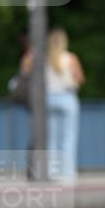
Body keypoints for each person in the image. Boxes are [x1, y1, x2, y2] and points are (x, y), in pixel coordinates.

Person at [22, 28, 85, 181]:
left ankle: (52, 171)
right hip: (67, 98)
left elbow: (25, 69)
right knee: (68, 138)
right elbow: (80, 79)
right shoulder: (70, 59)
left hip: (48, 99)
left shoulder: (43, 58)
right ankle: (68, 174)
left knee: (51, 138)